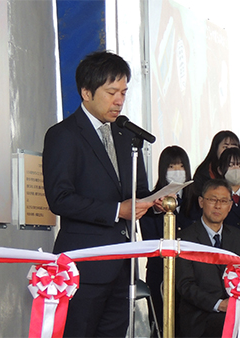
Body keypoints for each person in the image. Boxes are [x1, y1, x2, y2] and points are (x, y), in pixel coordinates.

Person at [42, 51, 160, 337]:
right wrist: (117, 211)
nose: (119, 100)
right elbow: (59, 198)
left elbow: (138, 192)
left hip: (124, 264)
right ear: (86, 92)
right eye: (111, 92)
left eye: (123, 92)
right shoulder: (63, 134)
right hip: (84, 265)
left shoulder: (125, 136)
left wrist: (156, 201)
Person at [175, 179, 240, 337]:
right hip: (201, 315)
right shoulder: (185, 238)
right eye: (212, 200)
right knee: (230, 324)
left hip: (235, 310)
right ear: (201, 202)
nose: (218, 206)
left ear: (230, 206)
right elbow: (185, 285)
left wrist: (238, 304)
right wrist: (218, 304)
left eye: (224, 201)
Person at [139, 145, 193, 331]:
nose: (177, 171)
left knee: (187, 324)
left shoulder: (194, 202)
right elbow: (149, 238)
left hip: (190, 274)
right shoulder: (151, 201)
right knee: (162, 324)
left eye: (181, 167)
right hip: (159, 272)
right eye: (171, 167)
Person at [191, 130, 240, 201]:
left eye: (234, 147)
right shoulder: (203, 175)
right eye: (225, 147)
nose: (229, 151)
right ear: (215, 149)